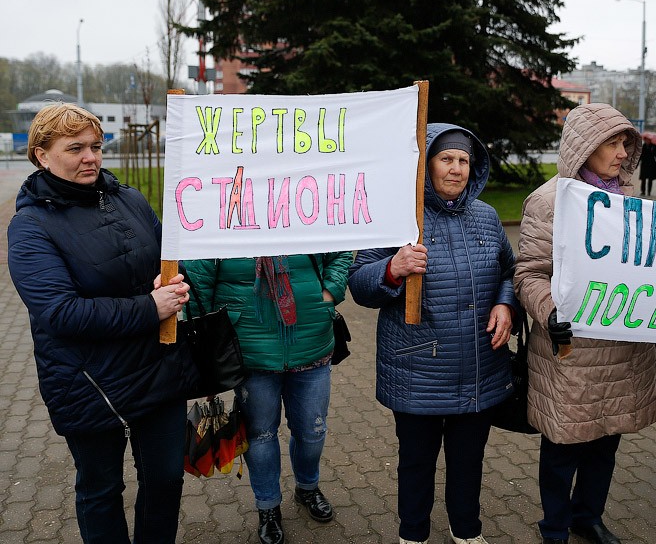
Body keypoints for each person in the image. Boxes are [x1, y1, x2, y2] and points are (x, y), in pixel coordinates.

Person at [7, 103, 198, 543]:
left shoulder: (128, 198)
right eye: (74, 148)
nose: (91, 157)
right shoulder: (31, 226)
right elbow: (59, 312)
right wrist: (150, 308)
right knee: (101, 489)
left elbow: (166, 259)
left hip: (156, 366)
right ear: (41, 155)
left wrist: (171, 280)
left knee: (166, 479)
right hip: (88, 381)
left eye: (95, 146)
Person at [348, 123, 518, 544]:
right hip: (418, 368)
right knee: (417, 462)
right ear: (426, 165)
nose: (457, 168)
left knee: (468, 460)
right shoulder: (398, 216)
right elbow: (359, 285)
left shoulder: (487, 216)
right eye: (446, 159)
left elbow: (510, 272)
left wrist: (505, 304)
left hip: (479, 365)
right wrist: (392, 268)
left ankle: (467, 531)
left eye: (464, 160)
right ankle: (413, 534)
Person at [514, 103, 656, 544]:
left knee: (607, 438)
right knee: (564, 446)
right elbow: (529, 273)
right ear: (584, 147)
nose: (621, 153)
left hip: (622, 347)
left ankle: (589, 516)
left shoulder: (630, 202)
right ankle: (555, 525)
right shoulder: (548, 202)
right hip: (571, 350)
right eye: (612, 143)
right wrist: (549, 312)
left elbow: (650, 270)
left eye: (625, 144)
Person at [184, 252, 351, 544]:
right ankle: (268, 507)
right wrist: (206, 351)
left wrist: (328, 293)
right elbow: (199, 283)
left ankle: (307, 487)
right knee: (260, 434)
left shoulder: (308, 207)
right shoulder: (223, 214)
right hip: (249, 350)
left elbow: (342, 251)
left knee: (313, 430)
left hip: (311, 341)